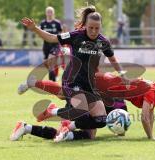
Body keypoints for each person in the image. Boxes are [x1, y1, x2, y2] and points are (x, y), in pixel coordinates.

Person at [20, 5, 128, 141]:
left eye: (97, 28)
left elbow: (112, 59)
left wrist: (123, 74)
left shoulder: (103, 42)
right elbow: (53, 38)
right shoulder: (76, 35)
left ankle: (62, 126)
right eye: (91, 28)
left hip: (89, 85)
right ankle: (55, 117)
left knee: (101, 120)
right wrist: (35, 29)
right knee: (82, 114)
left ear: (100, 27)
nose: (94, 31)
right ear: (86, 25)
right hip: (72, 82)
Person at [12, 72, 155, 141]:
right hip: (100, 86)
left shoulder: (154, 88)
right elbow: (145, 117)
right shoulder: (154, 92)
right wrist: (150, 137)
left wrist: (122, 130)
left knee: (90, 134)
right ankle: (57, 115)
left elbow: (150, 114)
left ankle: (31, 127)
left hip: (108, 93)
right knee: (66, 94)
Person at [40, 6, 62, 81]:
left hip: (55, 45)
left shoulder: (57, 23)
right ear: (46, 13)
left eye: (51, 12)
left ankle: (53, 79)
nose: (49, 13)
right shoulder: (43, 23)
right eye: (48, 12)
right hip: (46, 45)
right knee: (47, 63)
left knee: (50, 60)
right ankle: (53, 78)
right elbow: (40, 33)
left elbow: (61, 34)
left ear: (53, 13)